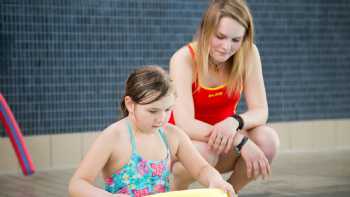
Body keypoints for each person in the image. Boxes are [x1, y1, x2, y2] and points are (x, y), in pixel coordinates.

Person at [69, 66, 235, 197]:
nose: (162, 118)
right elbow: (77, 184)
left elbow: (201, 169)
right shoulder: (114, 137)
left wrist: (215, 180)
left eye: (168, 109)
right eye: (153, 111)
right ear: (130, 104)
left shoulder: (172, 135)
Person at [169, 0, 280, 193]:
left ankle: (229, 193)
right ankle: (178, 188)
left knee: (268, 140)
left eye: (236, 40)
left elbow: (261, 110)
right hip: (186, 146)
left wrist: (234, 121)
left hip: (222, 142)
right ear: (205, 29)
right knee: (206, 151)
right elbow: (185, 124)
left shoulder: (249, 53)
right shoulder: (183, 59)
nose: (226, 47)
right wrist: (239, 139)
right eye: (220, 36)